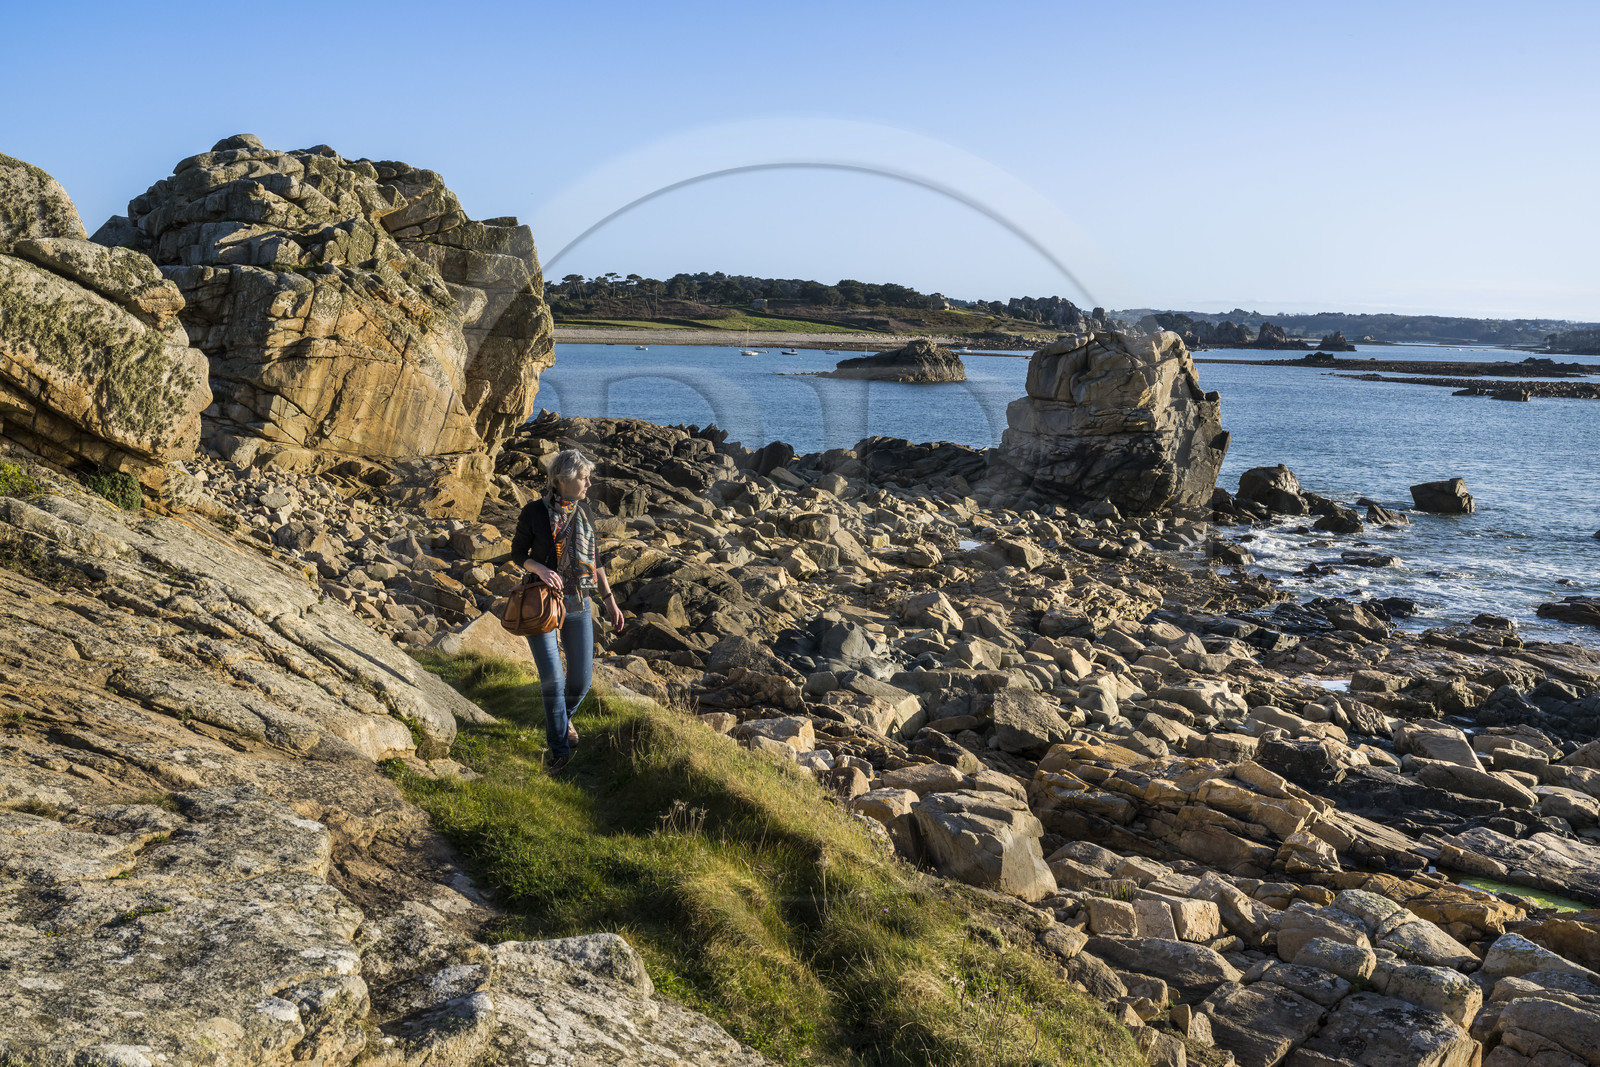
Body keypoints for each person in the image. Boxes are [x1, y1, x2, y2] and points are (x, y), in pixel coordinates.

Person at [510, 449, 625, 772]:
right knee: (553, 680)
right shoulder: (534, 512)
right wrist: (541, 569)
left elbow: (596, 561)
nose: (589, 483)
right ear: (561, 480)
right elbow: (517, 553)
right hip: (541, 602)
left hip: (578, 601)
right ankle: (559, 751)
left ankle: (563, 718)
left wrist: (609, 600)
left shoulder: (584, 511)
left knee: (581, 681)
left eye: (588, 477)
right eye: (583, 478)